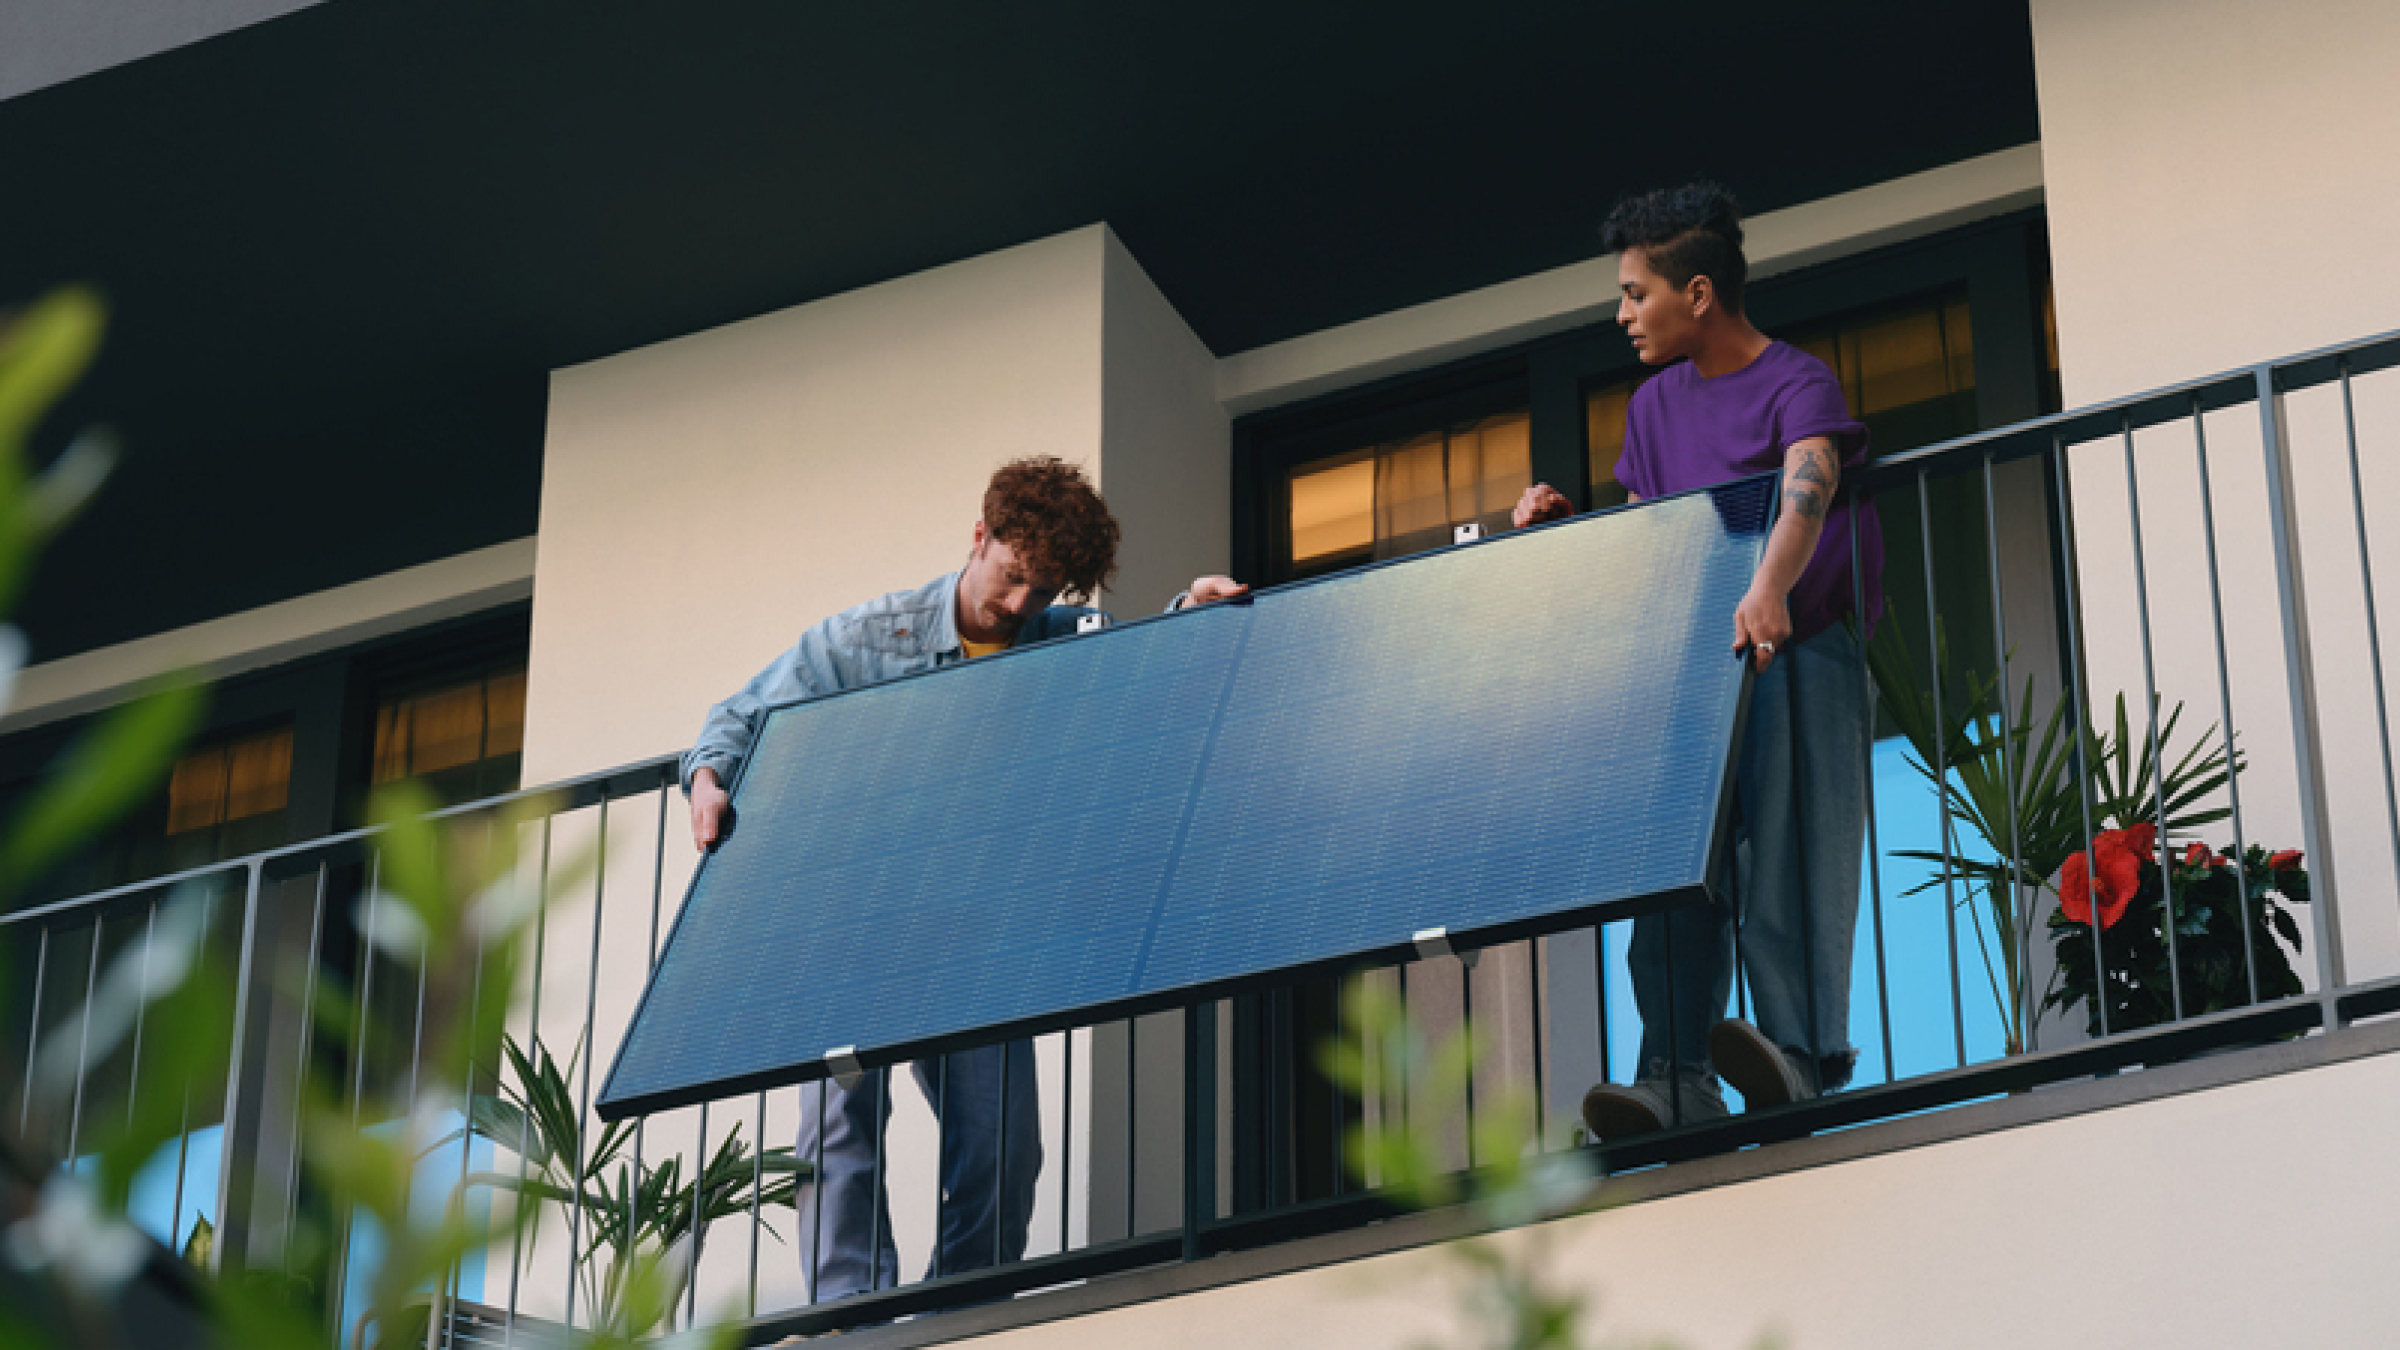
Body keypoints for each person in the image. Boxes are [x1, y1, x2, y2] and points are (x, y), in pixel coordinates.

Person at [681, 455, 1247, 1300]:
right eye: (1014, 576)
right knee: (841, 1126)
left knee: (1004, 1142)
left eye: (1045, 589)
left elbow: (1134, 666)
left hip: (975, 932)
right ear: (980, 537)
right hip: (856, 917)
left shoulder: (1057, 644)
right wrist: (707, 777)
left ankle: (961, 1308)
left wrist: (1186, 613)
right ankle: (853, 1319)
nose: (1022, 604)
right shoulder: (866, 640)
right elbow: (737, 716)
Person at [1513, 183, 1881, 1139]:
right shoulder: (1651, 408)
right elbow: (1653, 541)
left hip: (1800, 649)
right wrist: (1572, 534)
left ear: (1701, 294)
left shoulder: (1799, 382)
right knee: (1678, 863)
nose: (1623, 312)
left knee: (1796, 849)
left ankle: (1801, 1058)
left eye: (1637, 293)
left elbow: (1811, 482)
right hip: (1699, 665)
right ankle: (1675, 1074)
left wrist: (1767, 590)